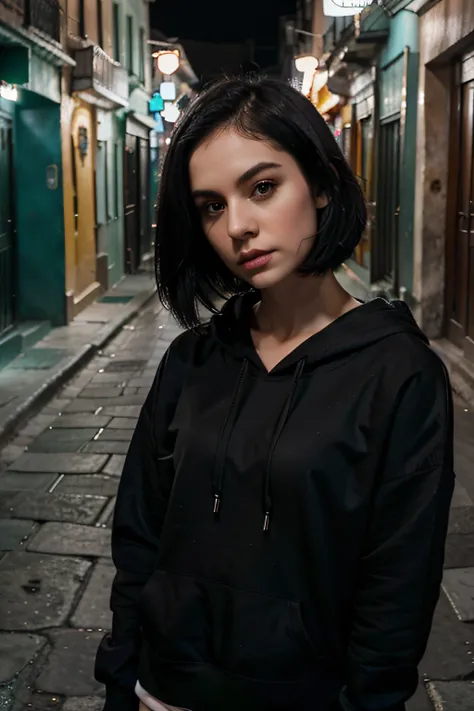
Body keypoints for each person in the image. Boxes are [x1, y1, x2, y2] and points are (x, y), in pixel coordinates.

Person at [95, 75, 454, 711]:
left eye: (262, 187)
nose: (237, 226)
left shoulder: (398, 374)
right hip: (165, 688)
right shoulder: (193, 360)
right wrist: (124, 676)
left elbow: (397, 585)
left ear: (318, 183)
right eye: (210, 205)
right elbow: (139, 536)